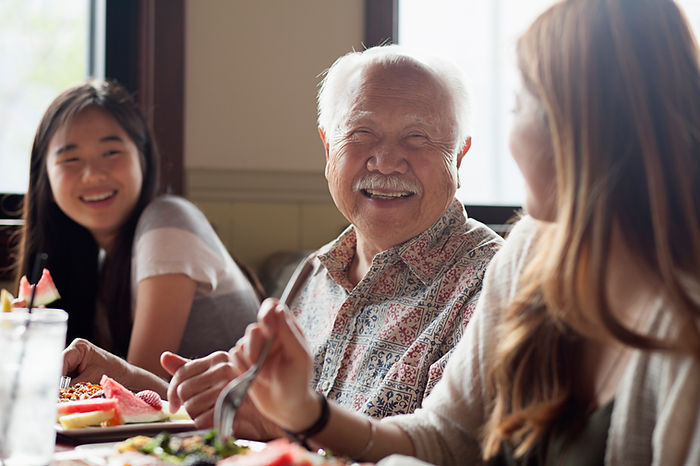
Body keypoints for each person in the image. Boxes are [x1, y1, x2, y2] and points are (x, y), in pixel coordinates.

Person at [218, 0, 700, 464]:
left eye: (518, 106)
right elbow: (448, 438)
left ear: (584, 130)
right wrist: (303, 412)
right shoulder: (531, 254)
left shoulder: (683, 326)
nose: (386, 160)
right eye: (362, 134)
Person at [65, 45, 503, 425]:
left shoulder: (493, 283)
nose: (386, 160)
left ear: (460, 156)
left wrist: (286, 428)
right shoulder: (314, 274)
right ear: (328, 148)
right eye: (361, 134)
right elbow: (236, 412)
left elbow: (440, 451)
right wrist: (123, 378)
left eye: (418, 138)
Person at [16, 80, 260, 381]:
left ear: (142, 158)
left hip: (231, 427)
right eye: (71, 159)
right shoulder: (99, 263)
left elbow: (137, 394)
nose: (93, 175)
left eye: (111, 152)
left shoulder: (168, 220)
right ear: (47, 182)